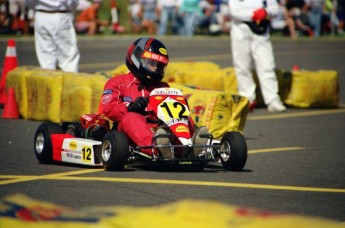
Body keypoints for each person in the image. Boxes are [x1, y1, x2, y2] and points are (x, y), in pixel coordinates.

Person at [101, 37, 208, 159]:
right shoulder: (117, 83)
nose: (155, 68)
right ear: (137, 58)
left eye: (159, 65)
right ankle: (157, 149)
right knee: (131, 117)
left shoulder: (163, 87)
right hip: (127, 135)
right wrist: (129, 108)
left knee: (182, 116)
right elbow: (108, 109)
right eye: (151, 63)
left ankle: (188, 148)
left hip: (159, 130)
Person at [228, 0, 287, 112]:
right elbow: (234, 11)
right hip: (240, 28)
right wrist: (253, 15)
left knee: (267, 65)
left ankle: (272, 99)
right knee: (242, 66)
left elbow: (275, 9)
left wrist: (266, 12)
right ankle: (247, 98)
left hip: (261, 29)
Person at [25, 0, 80, 72]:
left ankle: (48, 80)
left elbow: (29, 2)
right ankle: (71, 80)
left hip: (41, 14)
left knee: (46, 57)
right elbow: (72, 3)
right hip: (60, 14)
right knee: (68, 56)